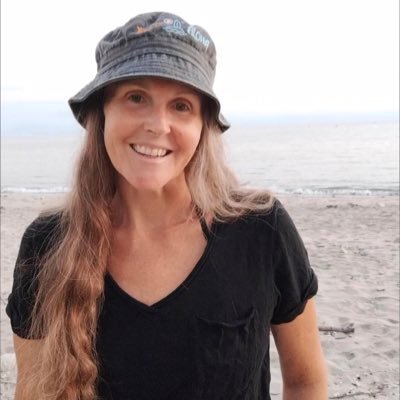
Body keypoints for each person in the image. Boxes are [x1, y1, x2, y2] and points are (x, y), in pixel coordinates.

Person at [6, 11, 328, 400]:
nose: (158, 125)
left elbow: (306, 381)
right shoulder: (47, 244)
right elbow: (33, 391)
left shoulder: (261, 230)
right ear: (102, 113)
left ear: (203, 126)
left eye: (181, 105)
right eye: (136, 98)